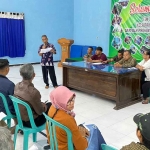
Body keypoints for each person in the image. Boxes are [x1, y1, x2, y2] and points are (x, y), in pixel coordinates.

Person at [46, 86, 106, 150]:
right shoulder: (67, 119)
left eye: (72, 99)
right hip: (68, 147)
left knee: (90, 128)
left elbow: (67, 128)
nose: (72, 103)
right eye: (68, 101)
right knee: (94, 129)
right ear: (61, 101)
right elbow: (82, 147)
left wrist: (77, 130)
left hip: (56, 145)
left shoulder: (52, 108)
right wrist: (82, 135)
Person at [0, 59, 17, 125]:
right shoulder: (9, 84)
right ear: (7, 69)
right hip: (5, 108)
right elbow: (15, 99)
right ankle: (18, 125)